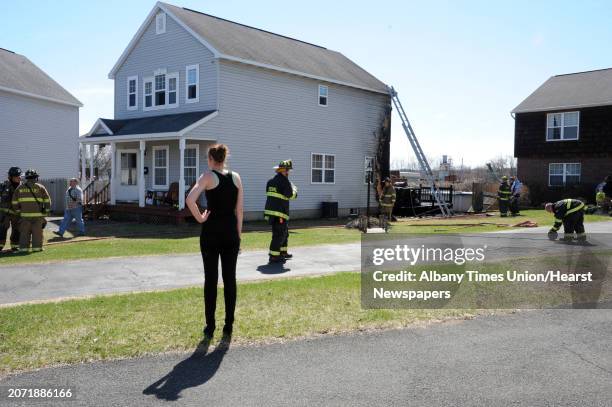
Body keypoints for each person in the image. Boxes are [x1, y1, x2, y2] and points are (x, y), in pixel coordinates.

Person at [186, 144, 243, 339]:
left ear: (211, 159)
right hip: (230, 234)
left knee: (211, 280)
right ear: (225, 158)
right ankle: (229, 325)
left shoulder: (208, 176)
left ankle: (210, 326)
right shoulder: (236, 178)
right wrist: (238, 235)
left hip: (211, 233)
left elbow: (190, 199)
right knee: (230, 280)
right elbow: (240, 211)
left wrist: (201, 218)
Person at [264, 160, 298, 263]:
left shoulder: (270, 181)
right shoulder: (284, 181)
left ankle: (283, 252)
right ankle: (274, 256)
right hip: (280, 213)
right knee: (280, 234)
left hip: (271, 213)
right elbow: (291, 195)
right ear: (285, 171)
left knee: (284, 233)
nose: (289, 173)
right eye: (288, 170)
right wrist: (295, 189)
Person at [12, 169, 51, 252]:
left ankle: (23, 249)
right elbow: (48, 201)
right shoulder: (40, 187)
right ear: (36, 178)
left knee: (24, 234)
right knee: (37, 233)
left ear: (26, 178)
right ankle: (37, 248)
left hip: (25, 216)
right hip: (38, 217)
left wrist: (19, 212)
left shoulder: (20, 188)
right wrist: (46, 212)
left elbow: (14, 202)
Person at [0, 167, 22, 252]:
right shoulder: (3, 185)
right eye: (17, 176)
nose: (19, 178)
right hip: (4, 214)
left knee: (16, 230)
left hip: (16, 214)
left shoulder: (23, 187)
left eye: (20, 176)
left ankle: (15, 246)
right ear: (11, 177)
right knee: (1, 230)